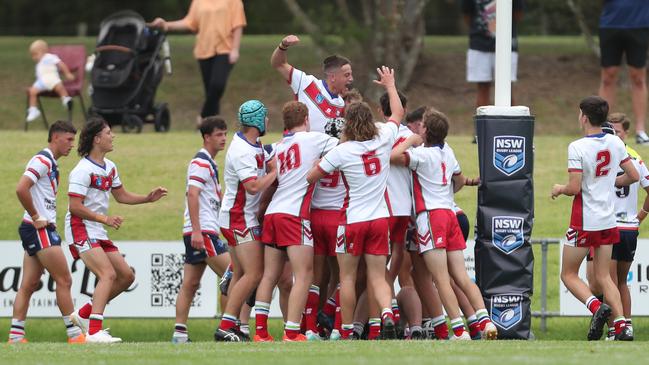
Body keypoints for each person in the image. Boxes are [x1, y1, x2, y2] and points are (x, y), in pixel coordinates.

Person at [307, 66, 401, 340]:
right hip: (379, 218)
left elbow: (312, 177)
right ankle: (385, 312)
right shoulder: (383, 137)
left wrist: (317, 164)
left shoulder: (342, 150)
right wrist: (390, 86)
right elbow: (397, 114)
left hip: (352, 220)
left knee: (346, 278)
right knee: (376, 275)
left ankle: (346, 329)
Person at [391, 108, 497, 341]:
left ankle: (458, 330)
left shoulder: (421, 155)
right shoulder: (448, 151)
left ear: (426, 131)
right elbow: (458, 180)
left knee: (440, 278)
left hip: (430, 216)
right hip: (450, 212)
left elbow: (393, 156)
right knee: (461, 275)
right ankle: (486, 321)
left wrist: (410, 140)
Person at [66, 118, 168, 343]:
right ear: (97, 139)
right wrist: (104, 218)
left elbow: (121, 196)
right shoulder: (82, 170)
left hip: (98, 230)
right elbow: (75, 207)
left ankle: (83, 315)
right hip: (80, 228)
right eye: (109, 133)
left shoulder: (110, 167)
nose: (113, 136)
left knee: (126, 276)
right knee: (108, 274)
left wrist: (147, 199)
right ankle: (93, 331)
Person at [551, 96, 638, 341]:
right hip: (609, 219)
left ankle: (596, 307)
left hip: (584, 219)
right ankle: (621, 327)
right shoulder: (615, 142)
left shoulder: (577, 147)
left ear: (584, 117)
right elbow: (632, 175)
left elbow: (575, 187)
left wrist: (559, 188)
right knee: (604, 277)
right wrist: (610, 182)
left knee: (568, 274)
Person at [255, 101, 339, 342]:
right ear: (305, 119)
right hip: (295, 215)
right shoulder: (314, 139)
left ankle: (260, 331)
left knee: (269, 275)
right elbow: (346, 147)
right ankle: (292, 332)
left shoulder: (277, 146)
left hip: (273, 213)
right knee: (304, 274)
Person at [8, 121, 85, 344]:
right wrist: (36, 216)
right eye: (69, 140)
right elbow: (21, 188)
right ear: (55, 138)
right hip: (38, 228)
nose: (72, 145)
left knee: (29, 284)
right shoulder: (42, 160)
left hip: (35, 228)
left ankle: (15, 336)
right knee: (64, 279)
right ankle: (75, 335)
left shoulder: (50, 163)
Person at [214, 100, 277, 342]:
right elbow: (252, 187)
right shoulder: (242, 150)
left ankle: (236, 325)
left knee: (241, 272)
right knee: (254, 273)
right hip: (238, 217)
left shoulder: (254, 143)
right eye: (266, 117)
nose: (268, 121)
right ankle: (225, 326)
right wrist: (274, 172)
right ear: (258, 121)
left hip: (238, 216)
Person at [172, 117, 231, 344]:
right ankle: (228, 327)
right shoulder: (201, 162)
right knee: (234, 275)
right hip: (202, 232)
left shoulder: (209, 163)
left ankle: (179, 333)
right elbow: (193, 194)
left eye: (225, 134)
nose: (224, 138)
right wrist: (197, 231)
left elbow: (216, 199)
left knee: (191, 283)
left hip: (201, 230)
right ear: (207, 137)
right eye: (219, 134)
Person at [149, 0, 246, 120]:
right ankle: (212, 128)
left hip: (225, 49)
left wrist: (235, 49)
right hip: (203, 50)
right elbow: (189, 22)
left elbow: (238, 25)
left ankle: (203, 118)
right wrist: (166, 25)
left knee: (217, 85)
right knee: (211, 92)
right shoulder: (198, 2)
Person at [598, 1, 649, 144]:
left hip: (639, 24)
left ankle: (640, 131)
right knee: (608, 76)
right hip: (610, 24)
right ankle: (602, 127)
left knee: (638, 77)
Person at [461, 0, 524, 109]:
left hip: (507, 45)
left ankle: (509, 125)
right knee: (482, 88)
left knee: (507, 90)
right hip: (479, 45)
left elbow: (518, 14)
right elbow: (467, 14)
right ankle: (483, 125)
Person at [26, 40, 74, 122]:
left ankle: (66, 99)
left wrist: (67, 73)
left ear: (43, 51)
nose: (34, 57)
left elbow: (61, 64)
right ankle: (33, 109)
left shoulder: (50, 57)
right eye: (32, 55)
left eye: (35, 54)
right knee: (32, 91)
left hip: (52, 79)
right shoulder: (39, 64)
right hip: (42, 81)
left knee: (59, 87)